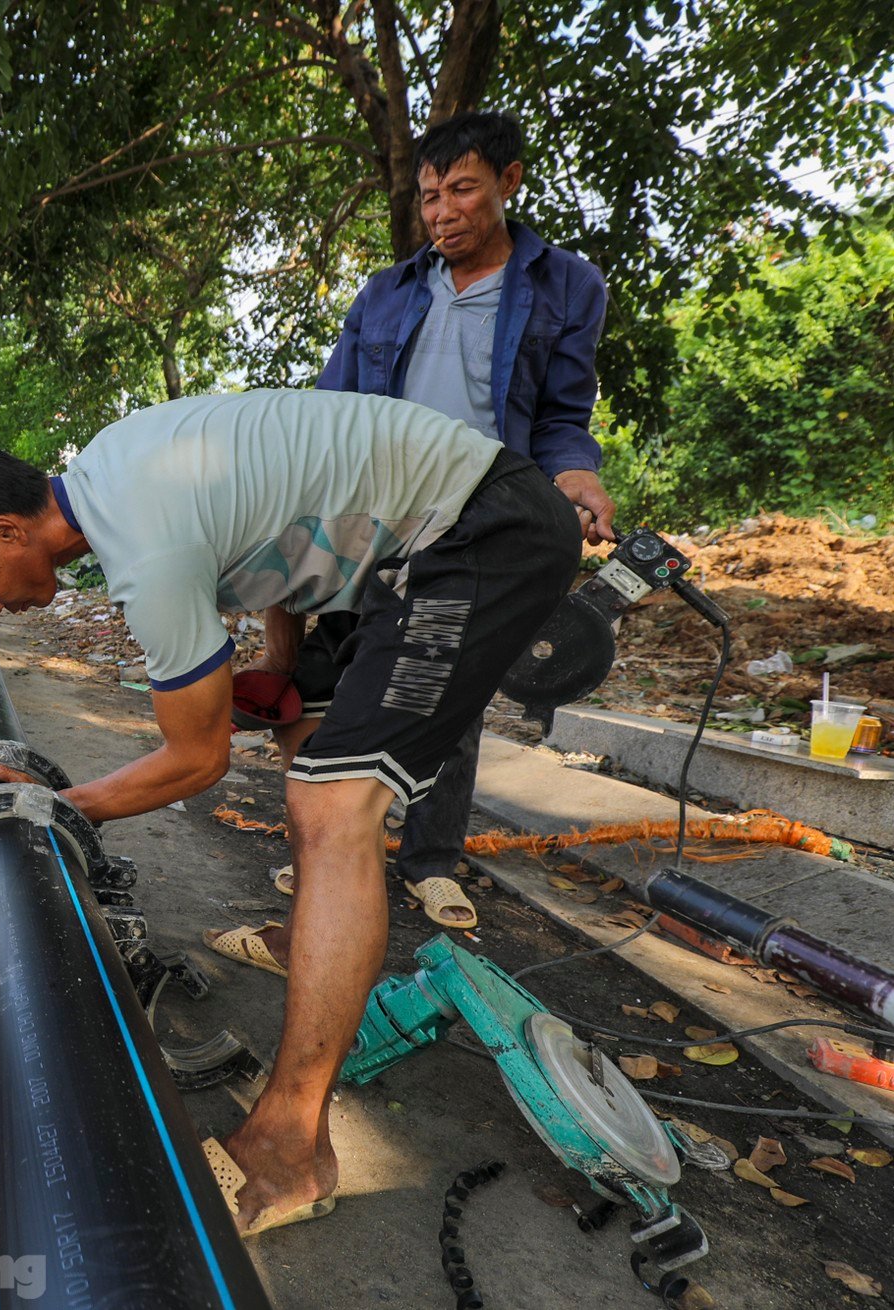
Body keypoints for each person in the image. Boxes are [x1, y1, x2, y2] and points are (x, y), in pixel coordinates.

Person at [0, 390, 581, 1234]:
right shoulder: (117, 469)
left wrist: (57, 807)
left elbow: (197, 759)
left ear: (6, 531)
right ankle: (308, 943)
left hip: (480, 536)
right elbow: (279, 530)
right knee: (313, 743)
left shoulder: (144, 546)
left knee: (334, 805)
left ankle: (292, 1142)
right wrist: (286, 667)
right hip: (424, 541)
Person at [302, 110, 615, 934]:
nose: (441, 212)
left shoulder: (567, 288)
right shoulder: (388, 292)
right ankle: (341, 851)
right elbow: (333, 412)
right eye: (429, 195)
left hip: (484, 515)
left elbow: (561, 417)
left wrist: (575, 476)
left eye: (462, 190)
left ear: (510, 182)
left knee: (452, 686)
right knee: (362, 675)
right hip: (382, 513)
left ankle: (431, 860)